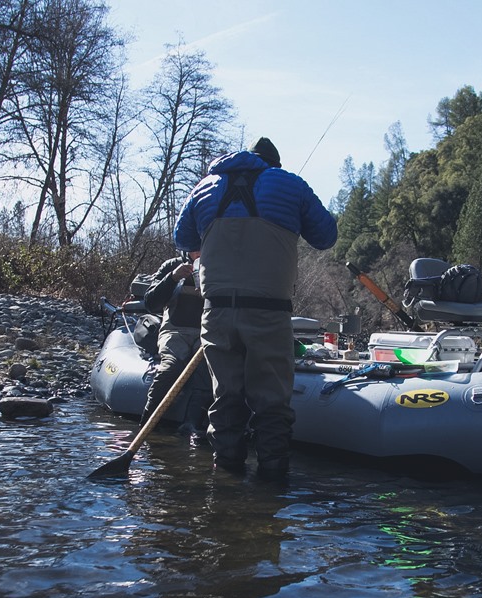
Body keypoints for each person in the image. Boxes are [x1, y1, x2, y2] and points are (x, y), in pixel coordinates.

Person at [173, 137, 338, 480]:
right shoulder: (290, 183)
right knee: (272, 402)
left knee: (226, 397)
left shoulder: (203, 187)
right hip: (269, 311)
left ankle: (226, 480)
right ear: (273, 164)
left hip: (216, 312)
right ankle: (272, 484)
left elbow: (183, 240)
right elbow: (326, 236)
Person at [139, 249, 209, 437]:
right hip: (174, 332)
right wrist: (172, 278)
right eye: (194, 249)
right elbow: (150, 303)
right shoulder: (171, 266)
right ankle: (148, 425)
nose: (198, 253)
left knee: (205, 372)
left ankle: (191, 427)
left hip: (205, 334)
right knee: (170, 368)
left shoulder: (218, 268)